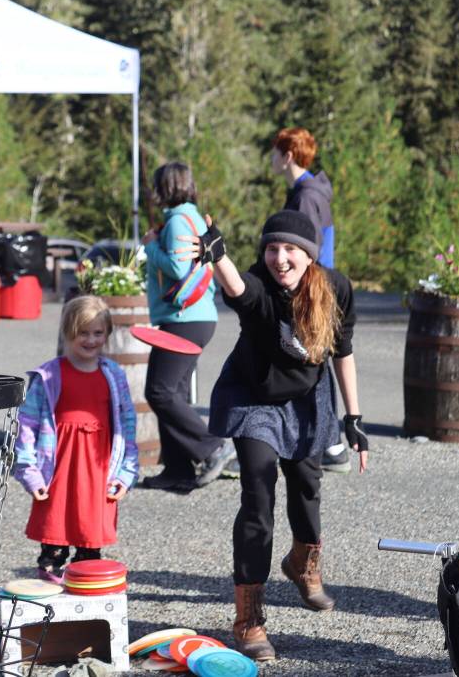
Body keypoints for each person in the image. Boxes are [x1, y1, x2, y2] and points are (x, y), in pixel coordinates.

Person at [178, 209, 368, 662]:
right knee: (258, 492)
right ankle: (248, 618)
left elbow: (343, 352)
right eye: (271, 248)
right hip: (254, 399)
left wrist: (354, 418)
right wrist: (216, 255)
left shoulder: (335, 288)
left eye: (289, 250)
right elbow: (239, 290)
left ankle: (302, 564)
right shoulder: (260, 285)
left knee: (306, 486)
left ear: (309, 256)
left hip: (307, 400)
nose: (279, 258)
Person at [14, 295, 140, 584]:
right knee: (53, 543)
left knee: (89, 545)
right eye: (83, 332)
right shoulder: (49, 375)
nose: (91, 340)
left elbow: (127, 425)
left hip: (97, 473)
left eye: (98, 333)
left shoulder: (113, 375)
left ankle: (84, 605)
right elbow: (27, 424)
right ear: (68, 332)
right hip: (57, 472)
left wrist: (125, 474)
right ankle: (50, 604)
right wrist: (30, 472)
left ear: (107, 334)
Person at [139, 162, 235, 492]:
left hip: (184, 318)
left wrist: (151, 246)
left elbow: (179, 268)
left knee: (159, 391)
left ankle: (213, 447)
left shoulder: (179, 221)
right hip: (194, 317)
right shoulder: (193, 217)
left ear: (163, 187)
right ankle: (178, 470)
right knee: (173, 391)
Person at [270, 128, 349, 474]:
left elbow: (307, 249)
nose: (270, 158)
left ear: (287, 155)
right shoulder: (308, 191)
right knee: (318, 359)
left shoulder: (305, 197)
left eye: (274, 152)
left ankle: (330, 443)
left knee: (315, 361)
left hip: (313, 289)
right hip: (316, 286)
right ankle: (330, 442)